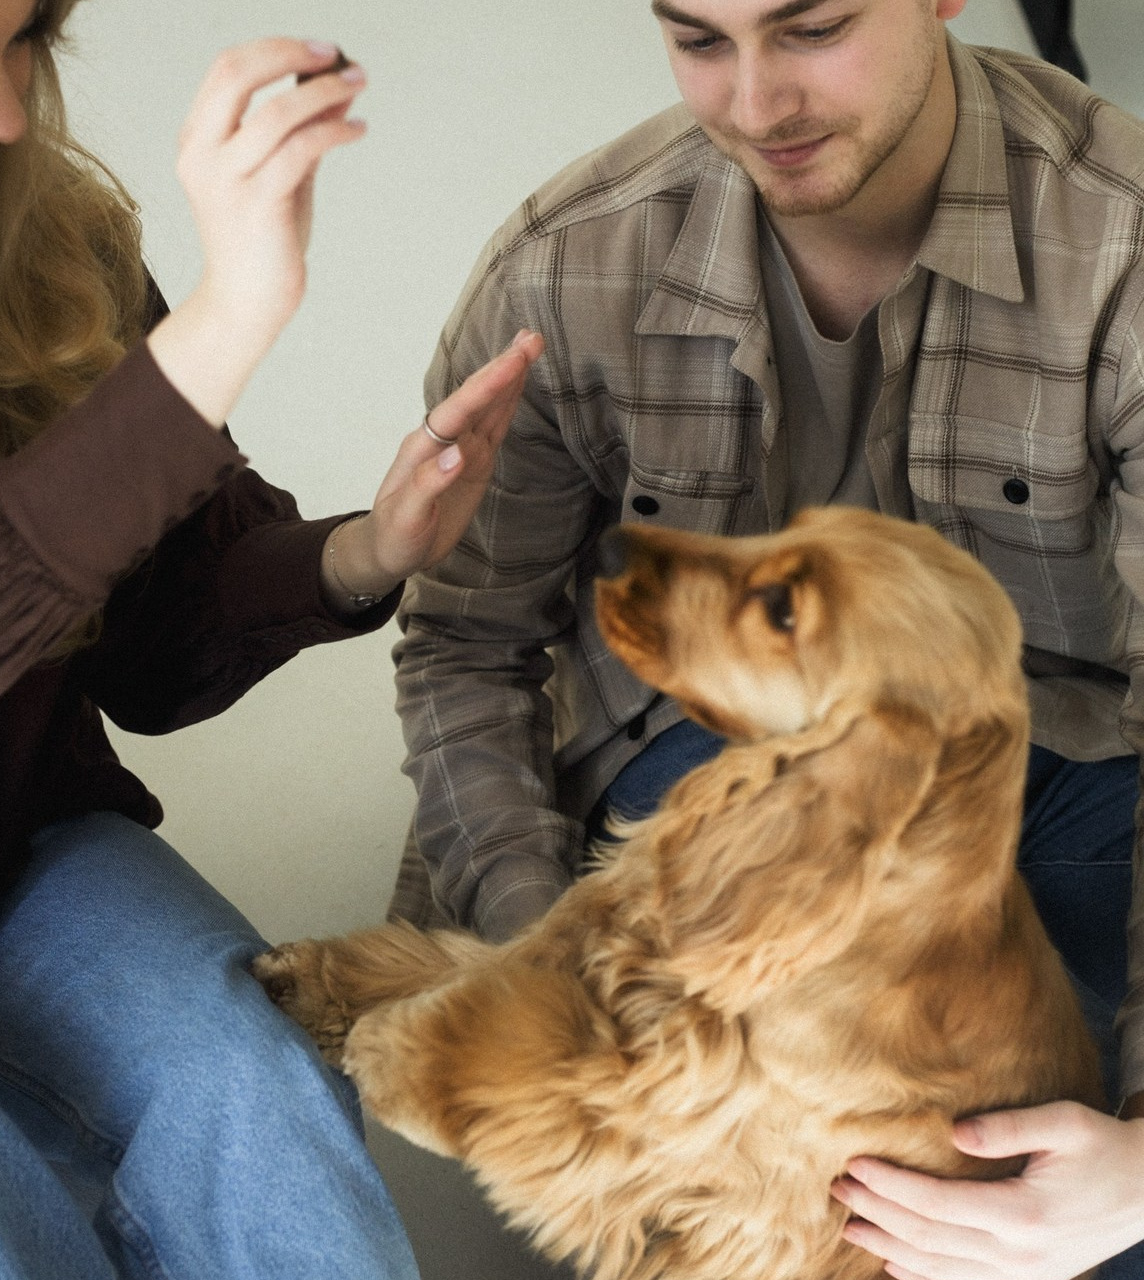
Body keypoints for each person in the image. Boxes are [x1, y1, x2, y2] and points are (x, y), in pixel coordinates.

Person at [390, 0, 1144, 1276]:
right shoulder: (568, 261)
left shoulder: (1120, 246)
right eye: (697, 40)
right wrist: (539, 965)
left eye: (810, 28)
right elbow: (466, 648)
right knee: (740, 1181)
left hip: (1081, 774)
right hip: (709, 768)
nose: (752, 105)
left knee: (1060, 1219)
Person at [0, 0, 544, 1277]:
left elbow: (150, 636)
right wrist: (234, 310)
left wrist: (363, 552)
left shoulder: (46, 239)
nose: (4, 115)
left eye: (22, 46)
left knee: (250, 1076)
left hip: (12, 840)